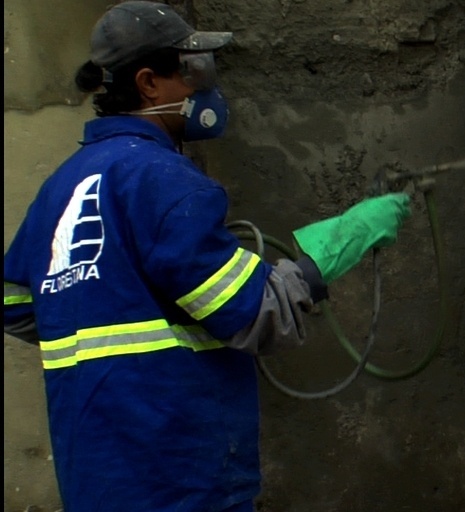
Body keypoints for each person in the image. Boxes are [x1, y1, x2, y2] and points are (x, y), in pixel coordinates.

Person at [2, 2, 410, 511]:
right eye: (191, 70)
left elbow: (16, 305)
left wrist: (109, 307)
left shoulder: (60, 187)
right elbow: (258, 315)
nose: (203, 87)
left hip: (94, 477)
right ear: (150, 84)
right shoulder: (163, 179)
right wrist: (331, 251)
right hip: (176, 474)